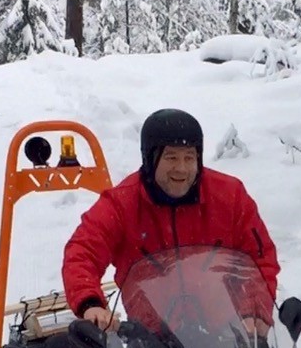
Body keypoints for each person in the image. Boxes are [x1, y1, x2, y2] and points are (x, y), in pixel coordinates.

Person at [62, 108, 280, 334]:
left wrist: (254, 310)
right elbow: (82, 252)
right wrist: (91, 304)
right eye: (171, 157)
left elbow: (259, 257)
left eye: (189, 157)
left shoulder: (230, 196)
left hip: (228, 338)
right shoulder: (121, 204)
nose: (182, 168)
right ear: (150, 158)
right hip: (152, 342)